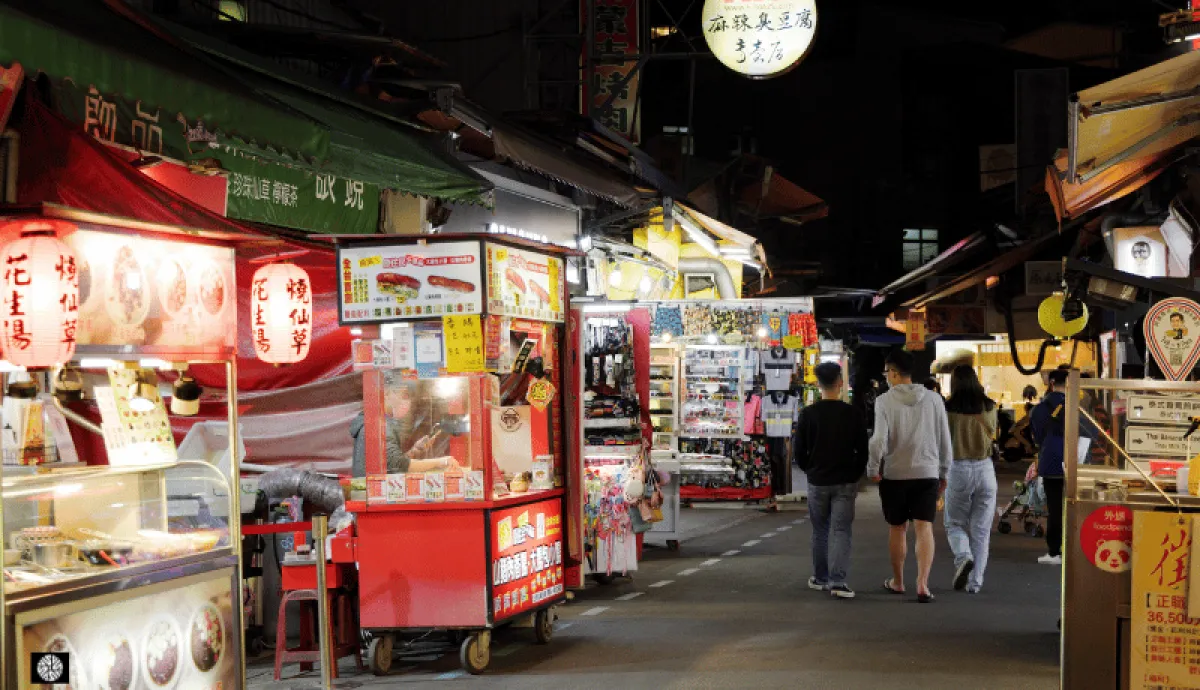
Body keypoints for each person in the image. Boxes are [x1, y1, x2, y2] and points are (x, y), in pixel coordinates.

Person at [868, 349, 953, 603]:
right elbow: (944, 439)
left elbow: (878, 440)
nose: (886, 377)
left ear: (893, 372)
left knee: (898, 528)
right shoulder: (934, 400)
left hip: (895, 474)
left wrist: (873, 468)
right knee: (924, 527)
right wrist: (944, 471)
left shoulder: (883, 401)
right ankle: (923, 584)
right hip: (927, 473)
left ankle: (898, 581)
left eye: (887, 373)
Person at [793, 362, 869, 599]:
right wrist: (856, 473)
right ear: (840, 383)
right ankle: (838, 581)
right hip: (846, 480)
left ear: (818, 384)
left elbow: (799, 452)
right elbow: (863, 450)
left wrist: (811, 470)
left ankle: (820, 577)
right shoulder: (853, 414)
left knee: (820, 529)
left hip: (818, 480)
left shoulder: (808, 414)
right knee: (841, 529)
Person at [1030, 369, 1097, 565]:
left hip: (1051, 462)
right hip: (1075, 462)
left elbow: (1037, 435)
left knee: (1055, 507)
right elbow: (1091, 432)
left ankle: (1054, 552)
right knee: (1075, 506)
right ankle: (1075, 549)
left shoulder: (1040, 408)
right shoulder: (1077, 406)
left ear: (1051, 383)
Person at [943, 366, 998, 593]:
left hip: (959, 469)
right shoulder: (990, 406)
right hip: (985, 470)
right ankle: (975, 583)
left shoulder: (948, 408)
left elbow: (942, 440)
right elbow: (994, 433)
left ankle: (964, 556)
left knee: (954, 524)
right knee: (981, 530)